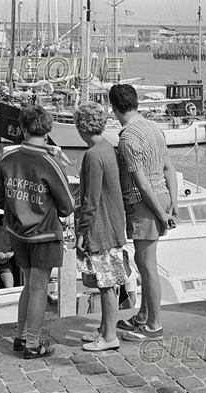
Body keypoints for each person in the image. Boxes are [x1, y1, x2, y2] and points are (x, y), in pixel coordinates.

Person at [0, 105, 74, 359]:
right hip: (44, 234)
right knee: (39, 288)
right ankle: (32, 343)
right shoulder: (50, 162)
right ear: (47, 129)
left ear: (22, 128)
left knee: (28, 285)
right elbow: (67, 206)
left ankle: (20, 336)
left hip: (17, 233)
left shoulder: (7, 159)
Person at [110, 84, 178, 342]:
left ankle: (154, 326)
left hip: (144, 203)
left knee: (147, 266)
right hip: (161, 196)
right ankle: (142, 315)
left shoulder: (127, 137)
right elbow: (169, 168)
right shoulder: (153, 127)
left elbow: (142, 183)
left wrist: (161, 214)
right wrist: (174, 203)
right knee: (142, 261)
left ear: (114, 108)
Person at [73, 102, 128, 351]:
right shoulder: (108, 148)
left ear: (80, 127)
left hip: (101, 227)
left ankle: (109, 337)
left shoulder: (93, 155)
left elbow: (90, 199)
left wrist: (81, 232)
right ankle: (105, 330)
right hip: (113, 223)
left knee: (105, 284)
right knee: (110, 282)